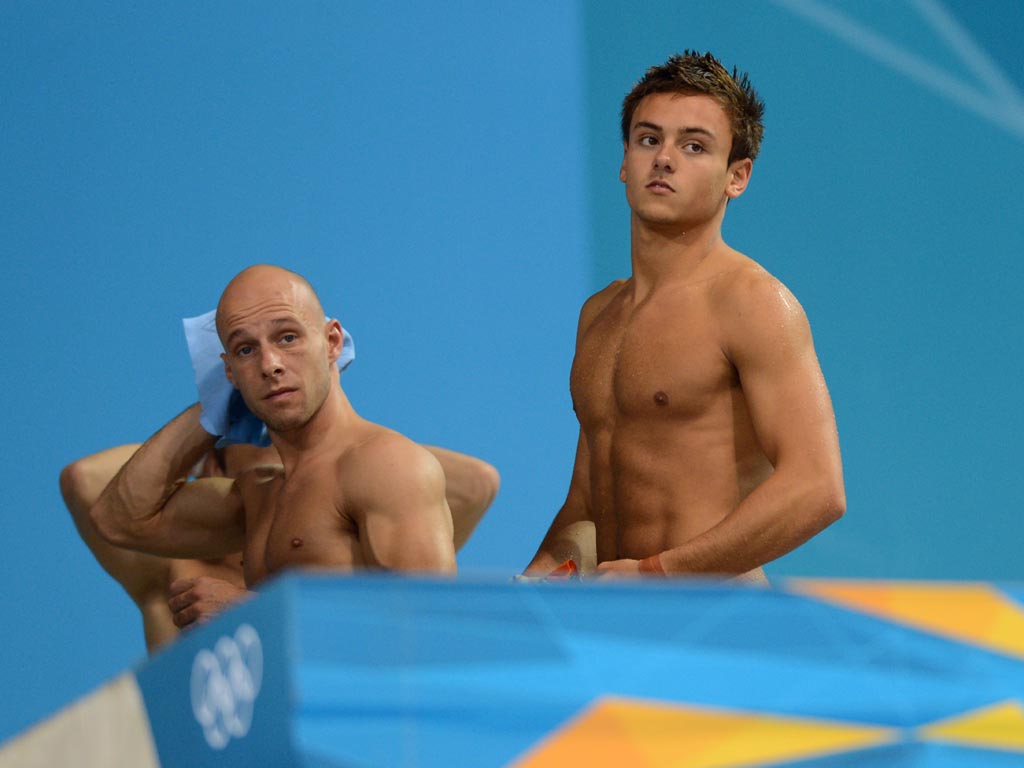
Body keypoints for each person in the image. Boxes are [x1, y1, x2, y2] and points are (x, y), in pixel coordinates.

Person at [523, 52, 845, 583]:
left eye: (694, 146)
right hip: (619, 613)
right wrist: (537, 577)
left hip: (717, 618)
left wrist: (656, 572)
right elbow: (587, 500)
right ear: (624, 161)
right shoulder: (599, 315)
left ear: (737, 176)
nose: (664, 159)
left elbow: (818, 489)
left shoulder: (753, 303)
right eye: (649, 139)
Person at [90, 265, 473, 592]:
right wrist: (210, 414)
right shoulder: (259, 495)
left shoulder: (383, 465)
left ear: (331, 342)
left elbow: (427, 628)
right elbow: (120, 520)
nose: (269, 364)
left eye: (287, 337)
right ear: (228, 372)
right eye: (245, 350)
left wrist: (252, 615)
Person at [63, 439, 498, 651]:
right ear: (212, 467)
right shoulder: (172, 565)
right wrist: (210, 417)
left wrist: (332, 433)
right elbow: (87, 482)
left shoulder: (337, 560)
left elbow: (474, 484)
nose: (284, 481)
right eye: (264, 470)